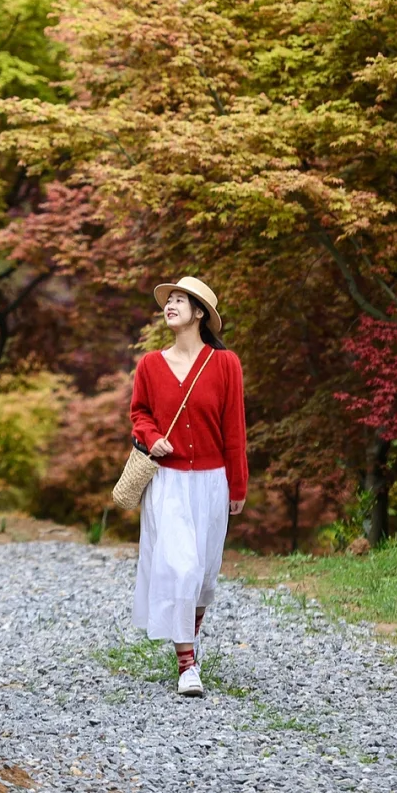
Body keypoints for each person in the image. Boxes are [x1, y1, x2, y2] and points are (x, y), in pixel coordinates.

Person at [129, 275, 247, 698]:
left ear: (199, 313)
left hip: (213, 482)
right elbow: (138, 413)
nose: (171, 305)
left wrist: (238, 486)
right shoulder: (149, 365)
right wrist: (150, 434)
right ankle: (187, 666)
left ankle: (189, 648)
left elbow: (234, 428)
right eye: (169, 299)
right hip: (168, 481)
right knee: (181, 568)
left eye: (181, 299)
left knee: (202, 578)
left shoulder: (226, 364)